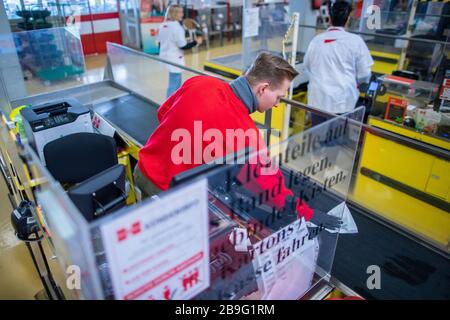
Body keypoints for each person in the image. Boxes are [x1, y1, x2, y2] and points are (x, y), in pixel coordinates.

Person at [134, 52, 342, 229]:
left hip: (142, 171)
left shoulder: (199, 82)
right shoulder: (246, 134)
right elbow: (273, 190)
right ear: (262, 88)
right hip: (169, 196)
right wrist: (309, 214)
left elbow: (163, 114)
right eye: (278, 96)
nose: (278, 104)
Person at [303, 0, 374, 123]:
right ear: (348, 19)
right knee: (337, 138)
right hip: (342, 102)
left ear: (330, 18)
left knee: (315, 136)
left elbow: (307, 67)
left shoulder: (316, 40)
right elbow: (365, 74)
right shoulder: (356, 41)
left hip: (317, 100)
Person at [158, 4, 203, 98]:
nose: (182, 14)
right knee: (174, 83)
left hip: (165, 56)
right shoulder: (177, 28)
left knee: (176, 82)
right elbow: (183, 46)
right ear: (174, 13)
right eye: (180, 12)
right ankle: (168, 106)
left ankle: (174, 102)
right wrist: (196, 42)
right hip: (175, 58)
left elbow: (160, 42)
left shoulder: (163, 25)